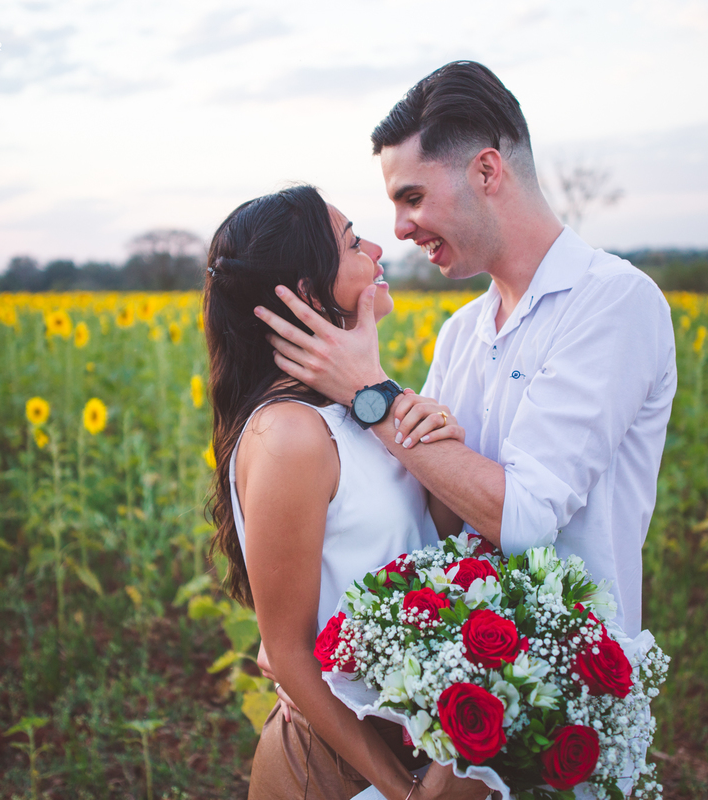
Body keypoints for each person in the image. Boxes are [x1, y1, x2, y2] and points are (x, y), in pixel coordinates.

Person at [255, 61, 677, 640]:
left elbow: (526, 519)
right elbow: (428, 509)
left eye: (414, 197)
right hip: (459, 689)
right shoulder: (461, 330)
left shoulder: (613, 303)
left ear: (485, 171)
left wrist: (368, 393)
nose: (400, 229)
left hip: (575, 690)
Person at [204, 185, 489, 800]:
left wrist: (444, 450)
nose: (379, 246)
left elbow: (424, 546)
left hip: (419, 754)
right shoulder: (290, 435)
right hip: (336, 771)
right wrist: (404, 792)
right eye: (353, 241)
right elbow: (287, 654)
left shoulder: (361, 408)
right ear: (309, 292)